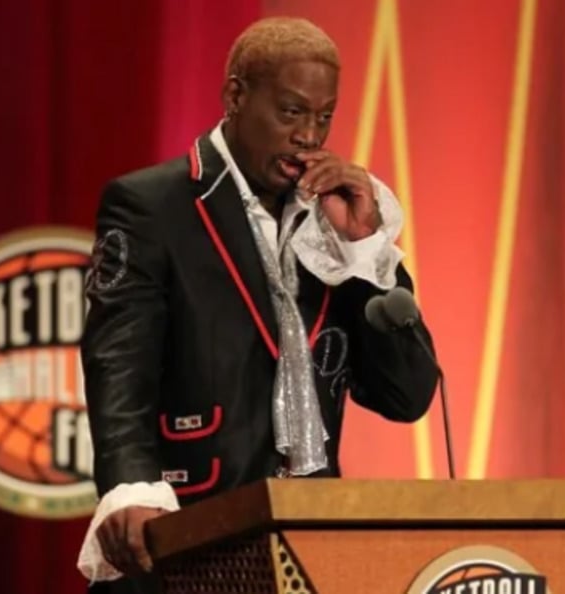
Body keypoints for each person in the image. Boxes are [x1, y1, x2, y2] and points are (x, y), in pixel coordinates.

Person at [78, 16, 438, 592]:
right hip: (188, 537)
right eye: (292, 112)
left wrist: (363, 247)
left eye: (324, 116)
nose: (309, 136)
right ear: (236, 96)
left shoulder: (333, 224)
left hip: (310, 556)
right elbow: (118, 363)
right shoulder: (153, 206)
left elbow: (407, 395)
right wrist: (131, 487)